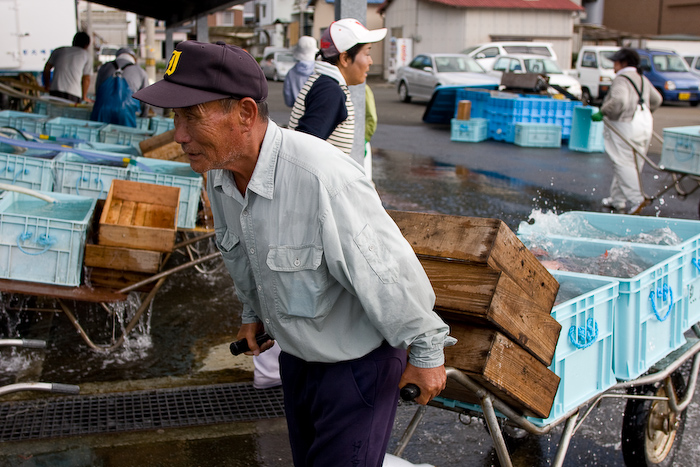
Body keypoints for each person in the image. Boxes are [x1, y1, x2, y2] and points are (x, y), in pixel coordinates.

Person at [133, 40, 452, 467]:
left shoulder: (322, 177)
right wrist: (253, 314)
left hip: (356, 366)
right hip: (298, 359)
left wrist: (428, 354)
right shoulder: (219, 174)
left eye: (192, 116)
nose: (179, 135)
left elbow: (390, 273)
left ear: (245, 113)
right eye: (176, 117)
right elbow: (243, 255)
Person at [288, 18, 386, 155]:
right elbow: (303, 150)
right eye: (367, 54)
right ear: (345, 58)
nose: (370, 61)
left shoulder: (325, 84)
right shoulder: (330, 92)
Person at [592, 48, 662, 215]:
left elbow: (619, 99)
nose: (614, 65)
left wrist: (604, 111)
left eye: (616, 62)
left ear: (623, 63)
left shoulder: (622, 79)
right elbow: (657, 99)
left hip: (625, 123)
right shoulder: (642, 78)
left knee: (623, 163)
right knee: (634, 163)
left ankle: (637, 200)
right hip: (644, 123)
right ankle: (617, 200)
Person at [91, 47, 150, 126]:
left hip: (102, 109)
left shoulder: (104, 67)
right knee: (125, 136)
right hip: (126, 112)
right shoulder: (141, 72)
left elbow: (98, 91)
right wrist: (144, 116)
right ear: (134, 59)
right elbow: (146, 102)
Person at [42, 32, 92, 103]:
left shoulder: (59, 50)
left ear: (73, 41)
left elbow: (47, 68)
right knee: (70, 113)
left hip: (55, 91)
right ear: (87, 45)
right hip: (73, 93)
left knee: (54, 112)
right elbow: (86, 78)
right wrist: (84, 97)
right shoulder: (86, 56)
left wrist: (47, 86)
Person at [283, 36, 318, 107]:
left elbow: (288, 100)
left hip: (297, 113)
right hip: (317, 111)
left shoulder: (291, 73)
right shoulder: (319, 71)